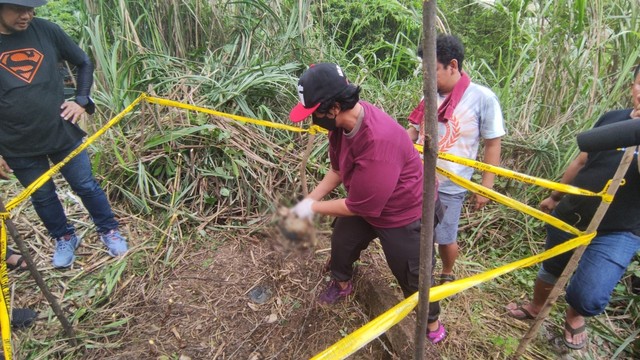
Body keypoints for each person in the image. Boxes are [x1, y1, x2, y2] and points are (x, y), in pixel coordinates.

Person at [288, 62, 447, 343]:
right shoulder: (340, 127)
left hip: (406, 212)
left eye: (314, 113)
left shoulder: (377, 141)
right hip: (368, 200)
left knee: (414, 274)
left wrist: (311, 209)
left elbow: (357, 207)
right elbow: (337, 171)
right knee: (343, 240)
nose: (312, 120)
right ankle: (342, 282)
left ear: (334, 107)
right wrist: (311, 198)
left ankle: (431, 323)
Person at [506, 65, 640, 350]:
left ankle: (575, 312)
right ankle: (536, 306)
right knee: (552, 265)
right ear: (633, 86)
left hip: (619, 229)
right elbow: (581, 161)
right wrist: (555, 196)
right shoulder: (612, 118)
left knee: (589, 294)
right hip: (574, 212)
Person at [0, 0, 128, 268]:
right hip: (15, 142)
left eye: (31, 9)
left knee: (85, 185)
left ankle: (108, 229)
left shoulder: (46, 30)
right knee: (43, 195)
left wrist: (81, 99)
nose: (27, 15)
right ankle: (64, 237)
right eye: (19, 9)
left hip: (61, 131)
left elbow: (83, 61)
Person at [407, 34, 505, 284]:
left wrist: (486, 187)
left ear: (452, 65)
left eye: (433, 71)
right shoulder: (427, 97)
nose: (427, 78)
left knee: (445, 235)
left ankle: (447, 272)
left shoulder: (482, 98)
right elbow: (414, 133)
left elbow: (492, 143)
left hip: (451, 185)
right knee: (416, 230)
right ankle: (421, 271)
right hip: (418, 178)